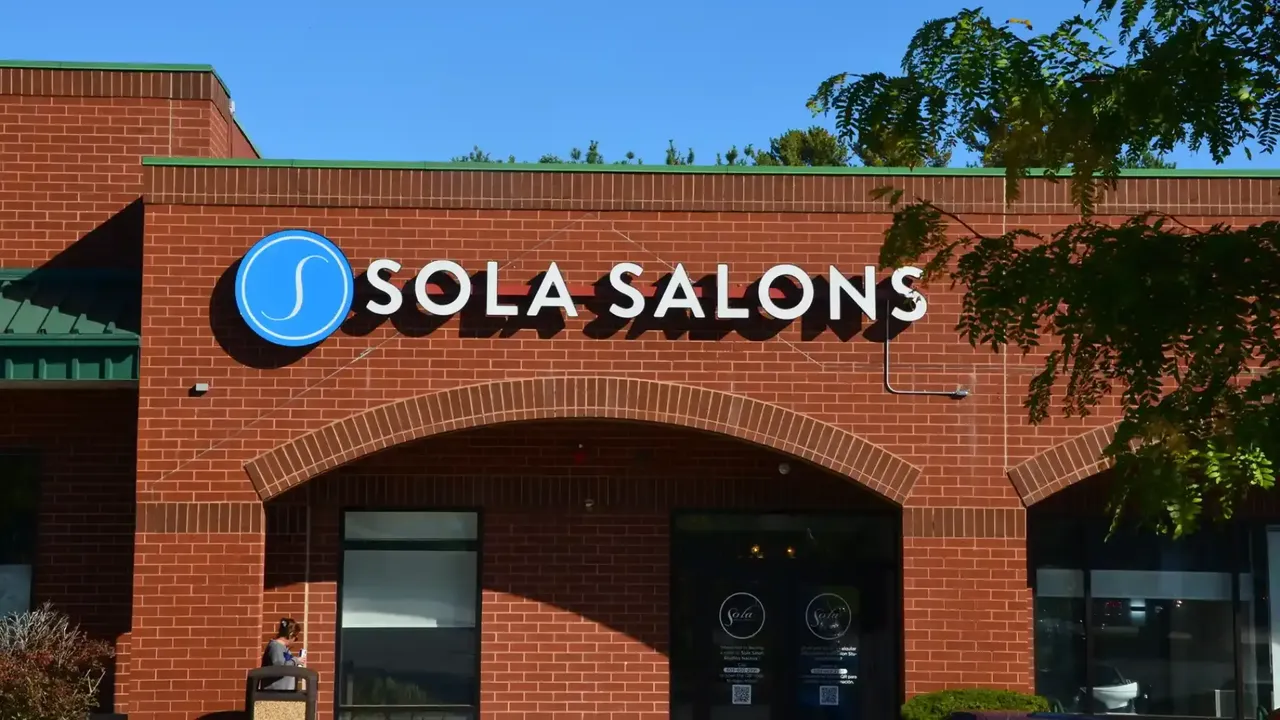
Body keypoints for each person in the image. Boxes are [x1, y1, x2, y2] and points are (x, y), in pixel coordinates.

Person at [260, 617, 305, 691]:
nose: (294, 641)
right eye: (295, 638)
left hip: (283, 693)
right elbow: (280, 666)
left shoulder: (283, 648)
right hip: (275, 694)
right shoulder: (276, 647)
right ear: (290, 635)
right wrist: (296, 660)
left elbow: (286, 662)